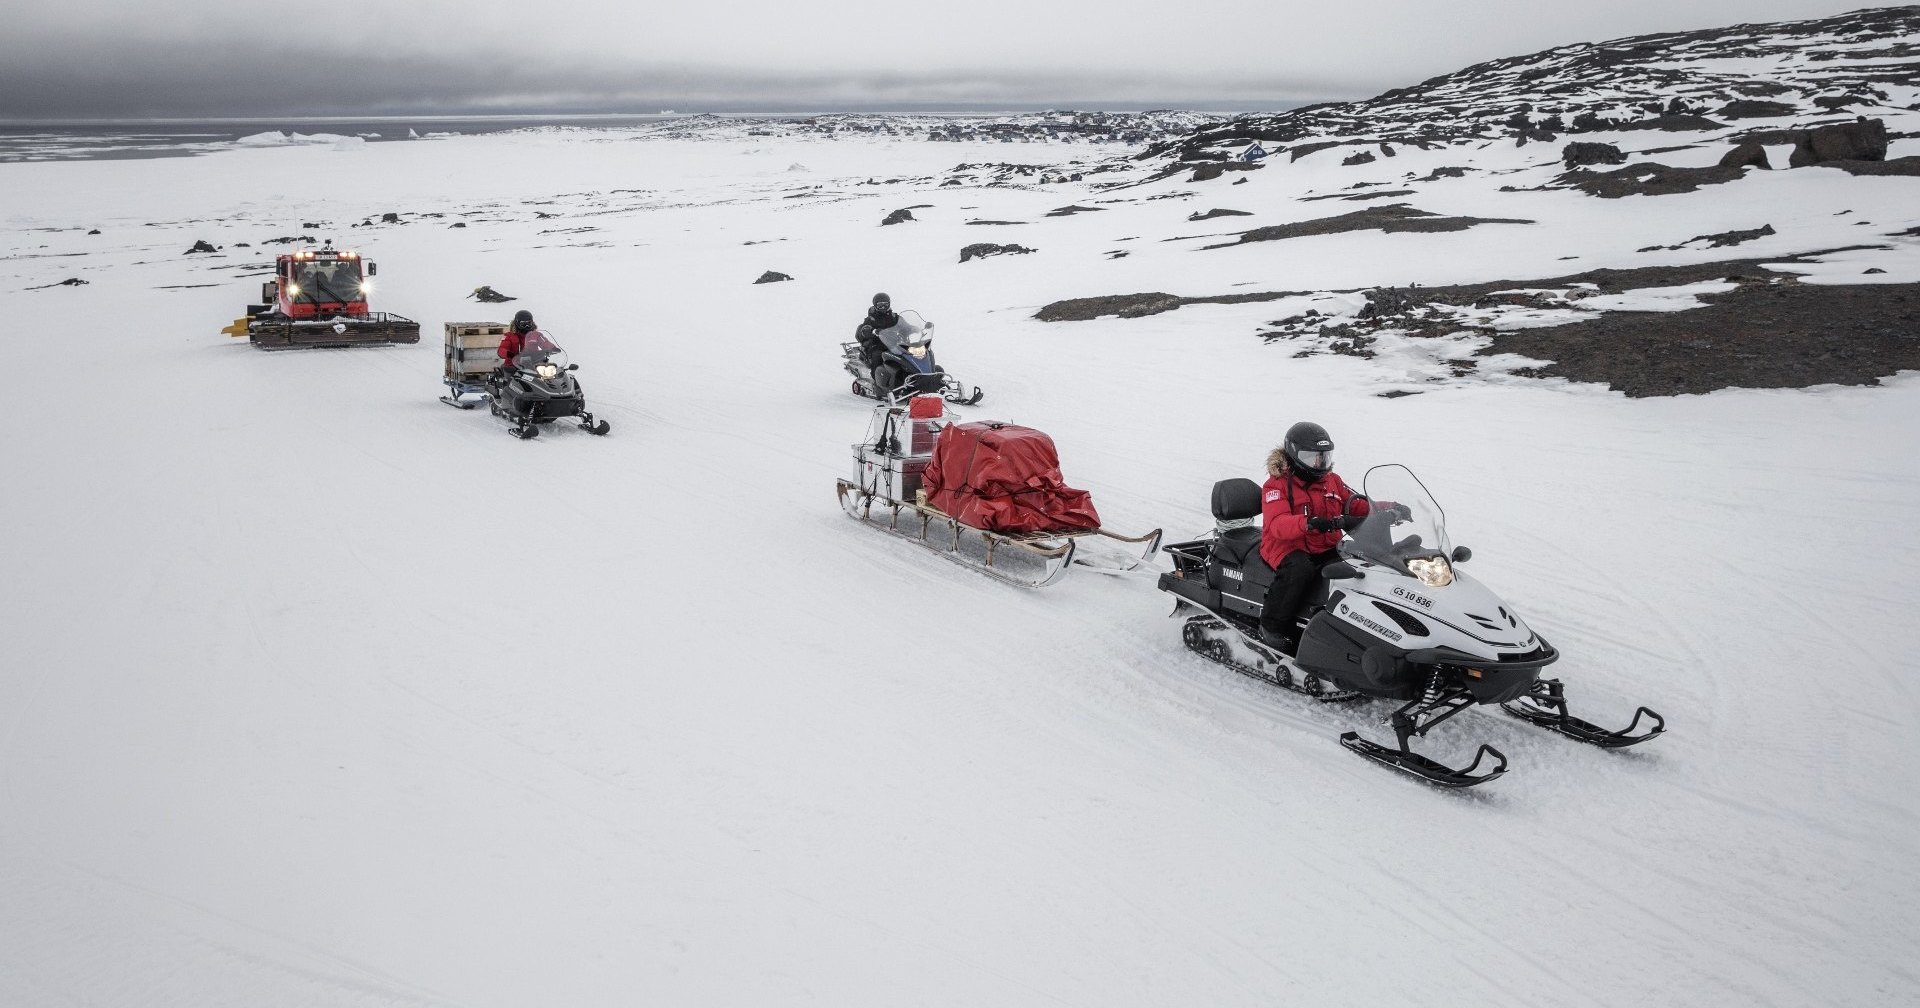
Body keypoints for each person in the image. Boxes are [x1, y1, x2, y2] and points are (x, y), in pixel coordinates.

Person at [1257, 421, 1370, 653]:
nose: (1319, 464)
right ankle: (1271, 627)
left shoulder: (1331, 480)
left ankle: (1351, 624)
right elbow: (1277, 524)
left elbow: (1352, 503)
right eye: (1313, 458)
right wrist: (1308, 523)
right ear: (1294, 455)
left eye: (1324, 457)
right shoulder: (1276, 485)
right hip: (1285, 546)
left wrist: (1383, 509)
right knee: (1299, 569)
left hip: (1323, 544)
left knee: (1357, 563)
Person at [853, 293, 899, 370]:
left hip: (894, 343)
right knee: (877, 356)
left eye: (885, 304)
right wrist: (872, 331)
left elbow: (905, 325)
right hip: (876, 344)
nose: (883, 307)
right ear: (875, 305)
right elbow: (865, 328)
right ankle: (875, 378)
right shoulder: (871, 318)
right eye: (880, 305)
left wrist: (915, 329)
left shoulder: (894, 317)